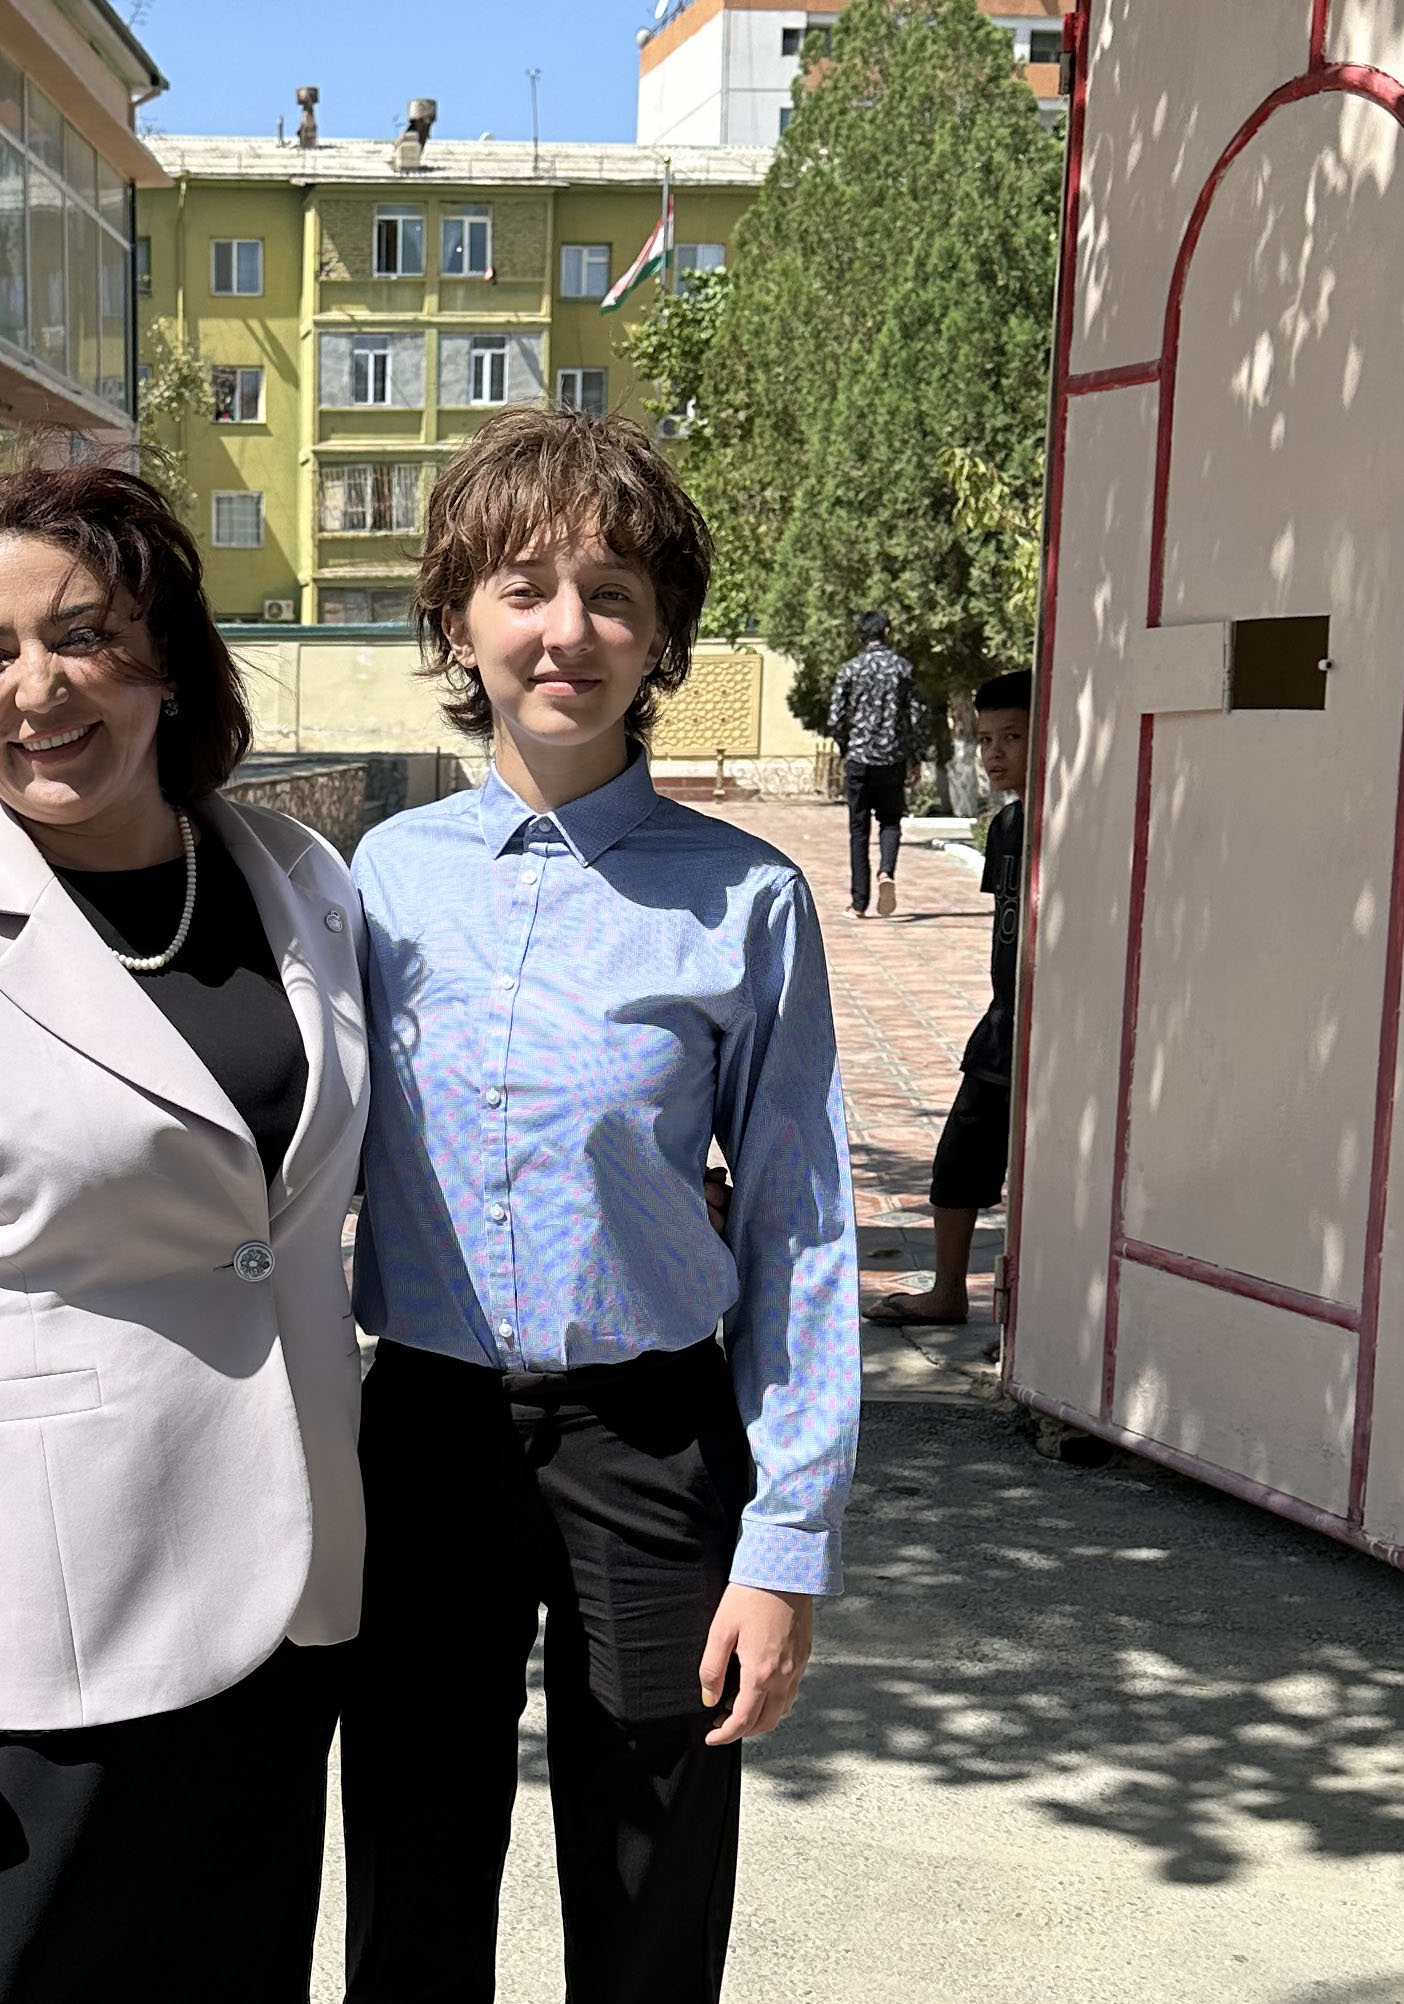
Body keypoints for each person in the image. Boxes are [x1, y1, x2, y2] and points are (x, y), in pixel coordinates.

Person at [0, 463, 372, 2004]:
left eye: (83, 635)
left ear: (168, 660)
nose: (36, 688)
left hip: (286, 1591)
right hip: (33, 1616)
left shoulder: (300, 884)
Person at [342, 404, 861, 2004]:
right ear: (458, 622)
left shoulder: (744, 899)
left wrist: (785, 1544)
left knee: (650, 1882)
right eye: (523, 588)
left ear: (660, 638)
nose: (567, 630)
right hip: (423, 1435)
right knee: (412, 1869)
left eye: (613, 595)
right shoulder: (375, 880)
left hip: (648, 1440)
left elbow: (798, 1227)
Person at [869, 670, 1032, 1339]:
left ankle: (1037, 1324)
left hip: (1054, 1030)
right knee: (960, 1160)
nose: (993, 754)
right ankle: (947, 1291)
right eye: (985, 739)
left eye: (1012, 737)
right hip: (1002, 1024)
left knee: (1044, 1180)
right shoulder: (1009, 825)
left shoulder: (1072, 826)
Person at [828, 608, 919, 918]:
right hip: (892, 759)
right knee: (890, 821)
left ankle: (858, 903)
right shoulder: (903, 668)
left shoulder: (850, 670)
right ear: (887, 632)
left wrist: (847, 747)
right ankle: (886, 871)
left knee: (859, 830)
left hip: (859, 760)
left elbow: (835, 719)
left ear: (861, 637)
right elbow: (916, 718)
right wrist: (916, 758)